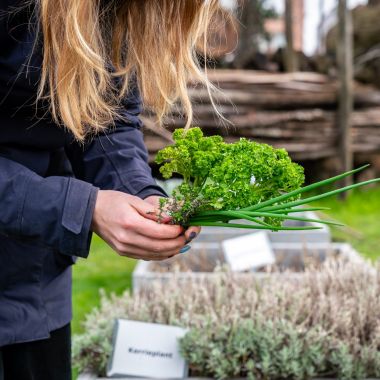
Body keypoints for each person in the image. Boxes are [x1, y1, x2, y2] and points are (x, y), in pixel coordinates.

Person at [0, 0, 221, 378]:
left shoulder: (109, 13)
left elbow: (106, 119)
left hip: (34, 284)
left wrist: (139, 193)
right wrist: (82, 208)